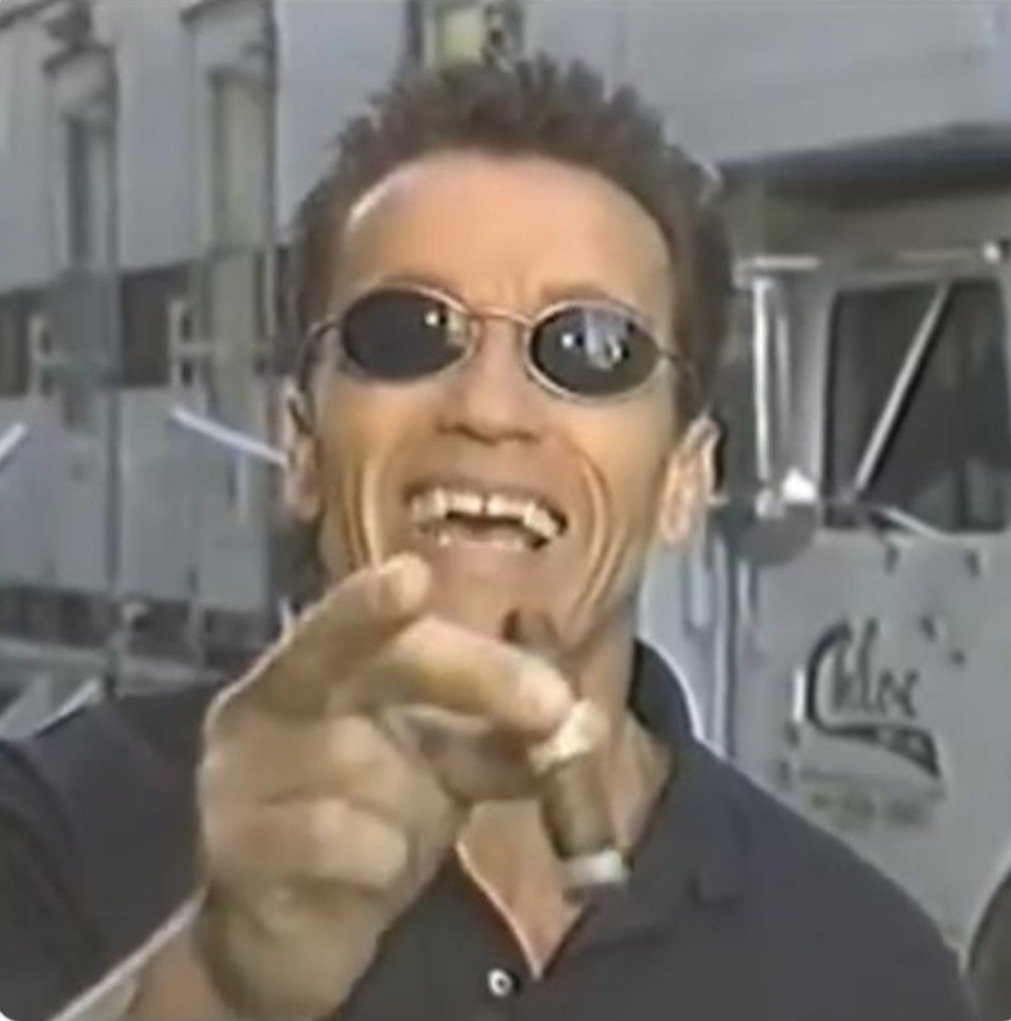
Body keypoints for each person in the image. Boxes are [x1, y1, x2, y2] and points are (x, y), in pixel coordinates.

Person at [0, 56, 979, 1021]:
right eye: (409, 331)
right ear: (300, 445)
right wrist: (216, 984)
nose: (488, 407)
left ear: (685, 479)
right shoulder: (55, 831)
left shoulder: (869, 970)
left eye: (589, 347)